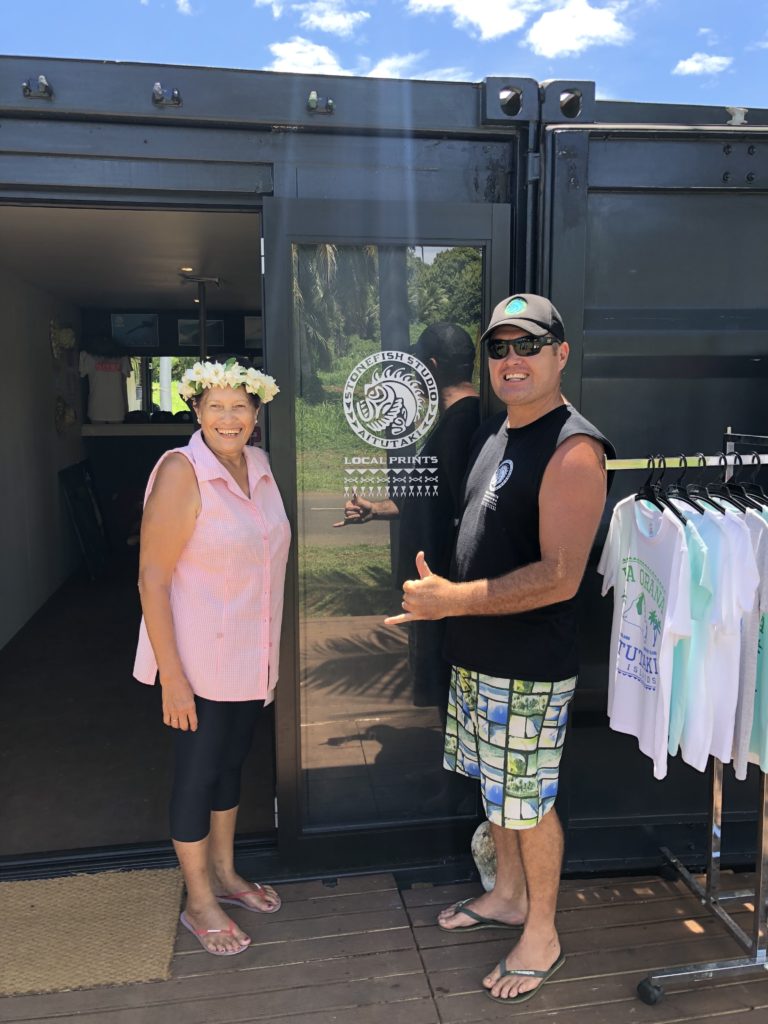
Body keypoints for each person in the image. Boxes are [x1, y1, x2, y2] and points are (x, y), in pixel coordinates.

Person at [385, 294, 615, 1003]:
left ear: (560, 354)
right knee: (498, 795)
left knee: (528, 803)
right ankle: (509, 896)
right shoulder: (497, 434)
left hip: (527, 668)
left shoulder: (574, 450)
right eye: (499, 347)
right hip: (478, 659)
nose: (512, 360)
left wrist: (451, 600)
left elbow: (559, 577)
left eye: (528, 345)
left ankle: (542, 935)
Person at [133, 357, 290, 957]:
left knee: (230, 766)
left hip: (250, 655)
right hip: (199, 662)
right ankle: (199, 901)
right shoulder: (182, 470)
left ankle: (224, 874)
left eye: (240, 406)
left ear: (256, 412)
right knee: (197, 775)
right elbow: (151, 578)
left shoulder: (261, 466)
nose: (229, 418)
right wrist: (172, 677)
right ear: (197, 410)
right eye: (216, 406)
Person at [336, 323, 480, 712]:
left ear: (431, 366)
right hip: (435, 591)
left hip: (443, 591)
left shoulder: (462, 425)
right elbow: (434, 497)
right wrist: (376, 509)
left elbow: (464, 512)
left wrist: (450, 593)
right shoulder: (457, 420)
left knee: (447, 698)